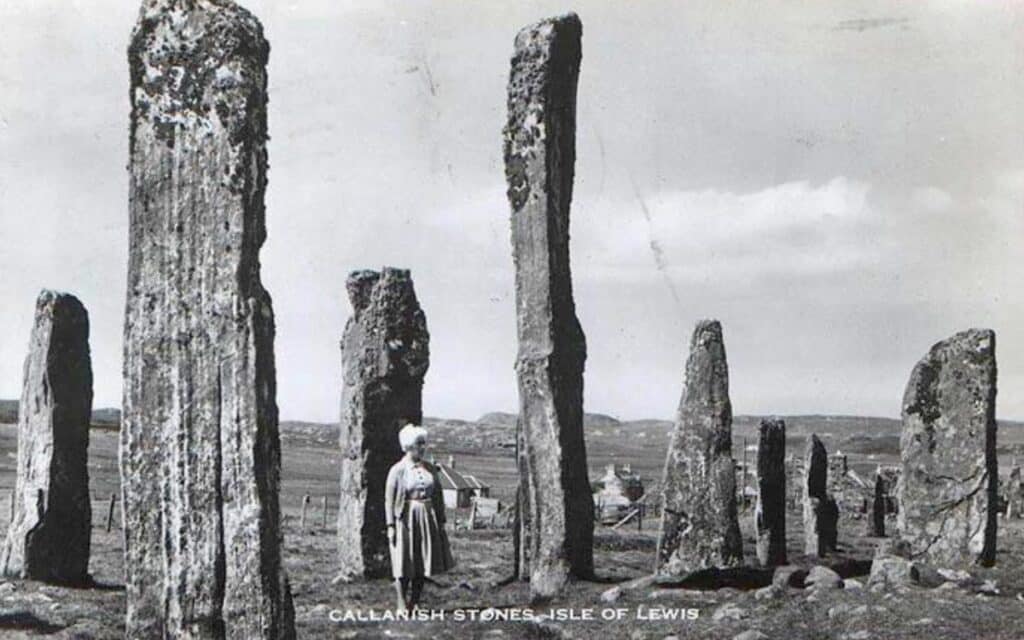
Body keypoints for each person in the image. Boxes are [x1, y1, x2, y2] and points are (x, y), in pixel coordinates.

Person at [385, 423, 454, 612]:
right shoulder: (397, 470)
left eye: (424, 444)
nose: (423, 448)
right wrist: (390, 526)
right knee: (403, 562)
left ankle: (415, 602)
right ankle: (401, 603)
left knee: (423, 562)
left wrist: (440, 522)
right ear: (408, 446)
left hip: (427, 518)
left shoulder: (430, 469)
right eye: (419, 444)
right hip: (405, 519)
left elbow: (438, 496)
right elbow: (389, 501)